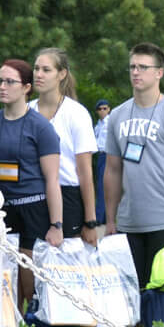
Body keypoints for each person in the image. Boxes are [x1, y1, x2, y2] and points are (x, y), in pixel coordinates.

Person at [102, 42, 164, 293]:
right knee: (130, 295)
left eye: (143, 67)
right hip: (127, 222)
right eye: (132, 66)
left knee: (161, 298)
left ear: (159, 72)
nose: (136, 72)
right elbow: (112, 170)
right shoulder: (118, 115)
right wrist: (110, 220)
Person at [0, 59, 64, 300]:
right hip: (0, 209)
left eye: (10, 82)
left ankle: (28, 325)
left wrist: (56, 225)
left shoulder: (41, 127)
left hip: (32, 208)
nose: (3, 86)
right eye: (0, 81)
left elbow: (52, 180)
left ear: (26, 87)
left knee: (27, 271)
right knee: (0, 270)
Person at [31, 47, 99, 246]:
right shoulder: (27, 110)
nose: (39, 75)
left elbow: (85, 172)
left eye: (46, 70)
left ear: (62, 74)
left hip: (67, 197)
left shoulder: (76, 113)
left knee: (65, 267)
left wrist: (90, 221)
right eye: (36, 69)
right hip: (32, 194)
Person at [93, 98, 111, 225]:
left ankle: (99, 217)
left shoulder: (111, 122)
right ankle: (103, 217)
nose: (102, 111)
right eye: (100, 109)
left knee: (104, 186)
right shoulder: (98, 125)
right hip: (100, 155)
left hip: (109, 155)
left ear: (109, 109)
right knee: (101, 186)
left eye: (105, 108)